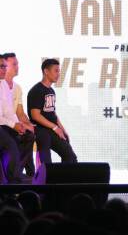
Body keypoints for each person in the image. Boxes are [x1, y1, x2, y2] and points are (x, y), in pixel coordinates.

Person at [27, 58, 78, 165]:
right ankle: (46, 179)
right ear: (46, 71)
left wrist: (62, 129)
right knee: (46, 162)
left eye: (59, 71)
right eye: (56, 70)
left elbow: (52, 113)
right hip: (40, 129)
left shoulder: (51, 91)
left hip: (52, 129)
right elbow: (35, 115)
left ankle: (66, 180)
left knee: (70, 156)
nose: (58, 74)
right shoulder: (36, 90)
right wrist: (54, 127)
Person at [1, 53, 36, 176]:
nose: (17, 66)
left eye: (18, 64)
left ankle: (20, 173)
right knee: (14, 141)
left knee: (30, 135)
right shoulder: (2, 84)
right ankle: (15, 175)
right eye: (14, 64)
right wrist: (16, 125)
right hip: (4, 125)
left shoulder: (16, 88)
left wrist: (27, 125)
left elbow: (19, 113)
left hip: (9, 123)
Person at [0, 55, 24, 183]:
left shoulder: (3, 84)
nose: (4, 69)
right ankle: (13, 182)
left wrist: (18, 124)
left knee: (26, 136)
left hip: (3, 123)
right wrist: (13, 125)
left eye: (4, 66)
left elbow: (8, 110)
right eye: (1, 66)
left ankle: (16, 174)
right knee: (10, 143)